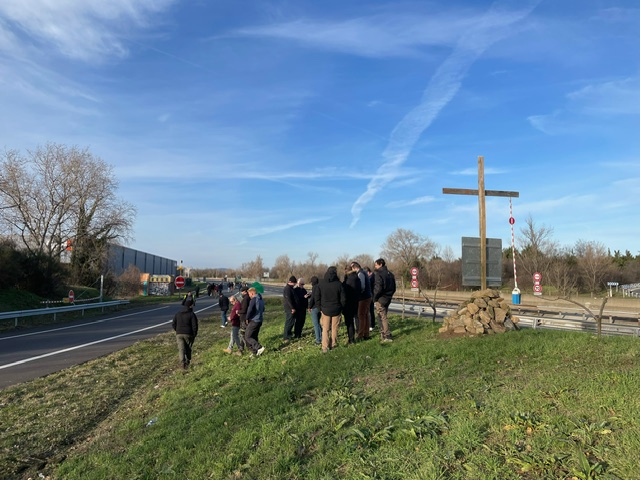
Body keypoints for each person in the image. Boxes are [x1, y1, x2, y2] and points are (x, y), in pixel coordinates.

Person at [315, 266, 346, 353]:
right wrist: (341, 308)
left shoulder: (321, 284)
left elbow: (317, 297)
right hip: (336, 309)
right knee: (334, 328)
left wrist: (319, 308)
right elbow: (343, 298)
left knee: (325, 329)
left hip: (325, 309)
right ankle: (333, 345)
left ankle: (325, 347)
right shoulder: (339, 284)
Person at [373, 258, 396, 342]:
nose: (374, 266)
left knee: (382, 317)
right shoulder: (390, 274)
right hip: (388, 298)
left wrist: (375, 298)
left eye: (375, 265)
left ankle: (386, 335)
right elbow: (394, 288)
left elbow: (378, 288)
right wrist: (389, 295)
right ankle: (383, 333)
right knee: (383, 315)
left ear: (380, 264)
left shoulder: (379, 274)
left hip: (381, 298)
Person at [172, 297, 198, 369]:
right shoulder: (192, 314)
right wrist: (194, 334)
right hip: (188, 333)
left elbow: (173, 324)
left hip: (179, 333)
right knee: (188, 348)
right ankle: (188, 360)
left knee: (181, 349)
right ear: (190, 306)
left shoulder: (178, 314)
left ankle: (182, 362)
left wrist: (177, 330)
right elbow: (194, 325)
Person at [351, 261, 372, 341]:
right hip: (367, 296)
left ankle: (360, 334)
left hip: (363, 298)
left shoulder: (360, 274)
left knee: (361, 316)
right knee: (366, 315)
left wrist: (357, 294)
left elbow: (362, 286)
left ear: (355, 267)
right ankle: (366, 333)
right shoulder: (364, 272)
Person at [245, 287, 266, 356]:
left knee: (247, 336)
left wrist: (247, 318)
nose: (249, 296)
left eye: (249, 294)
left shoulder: (254, 300)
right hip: (260, 320)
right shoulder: (261, 300)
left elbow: (250, 310)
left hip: (254, 320)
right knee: (254, 336)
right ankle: (255, 352)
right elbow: (263, 309)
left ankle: (259, 347)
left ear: (252, 293)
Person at [342, 265, 359, 345]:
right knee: (355, 319)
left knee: (349, 322)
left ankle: (351, 339)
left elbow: (345, 292)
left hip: (349, 303)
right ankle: (357, 334)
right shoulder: (356, 278)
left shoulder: (348, 280)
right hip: (355, 301)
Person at [282, 276, 298, 342]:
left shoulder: (291, 288)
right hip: (289, 308)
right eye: (294, 283)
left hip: (292, 308)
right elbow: (288, 299)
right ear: (291, 282)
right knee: (289, 321)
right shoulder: (287, 289)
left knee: (291, 322)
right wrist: (292, 308)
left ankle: (289, 334)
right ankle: (286, 336)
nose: (295, 284)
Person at [307, 276, 322, 345]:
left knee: (316, 324)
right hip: (320, 307)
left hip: (314, 307)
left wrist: (309, 307)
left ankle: (318, 340)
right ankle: (322, 337)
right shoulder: (320, 287)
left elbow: (313, 298)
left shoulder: (314, 287)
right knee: (319, 324)